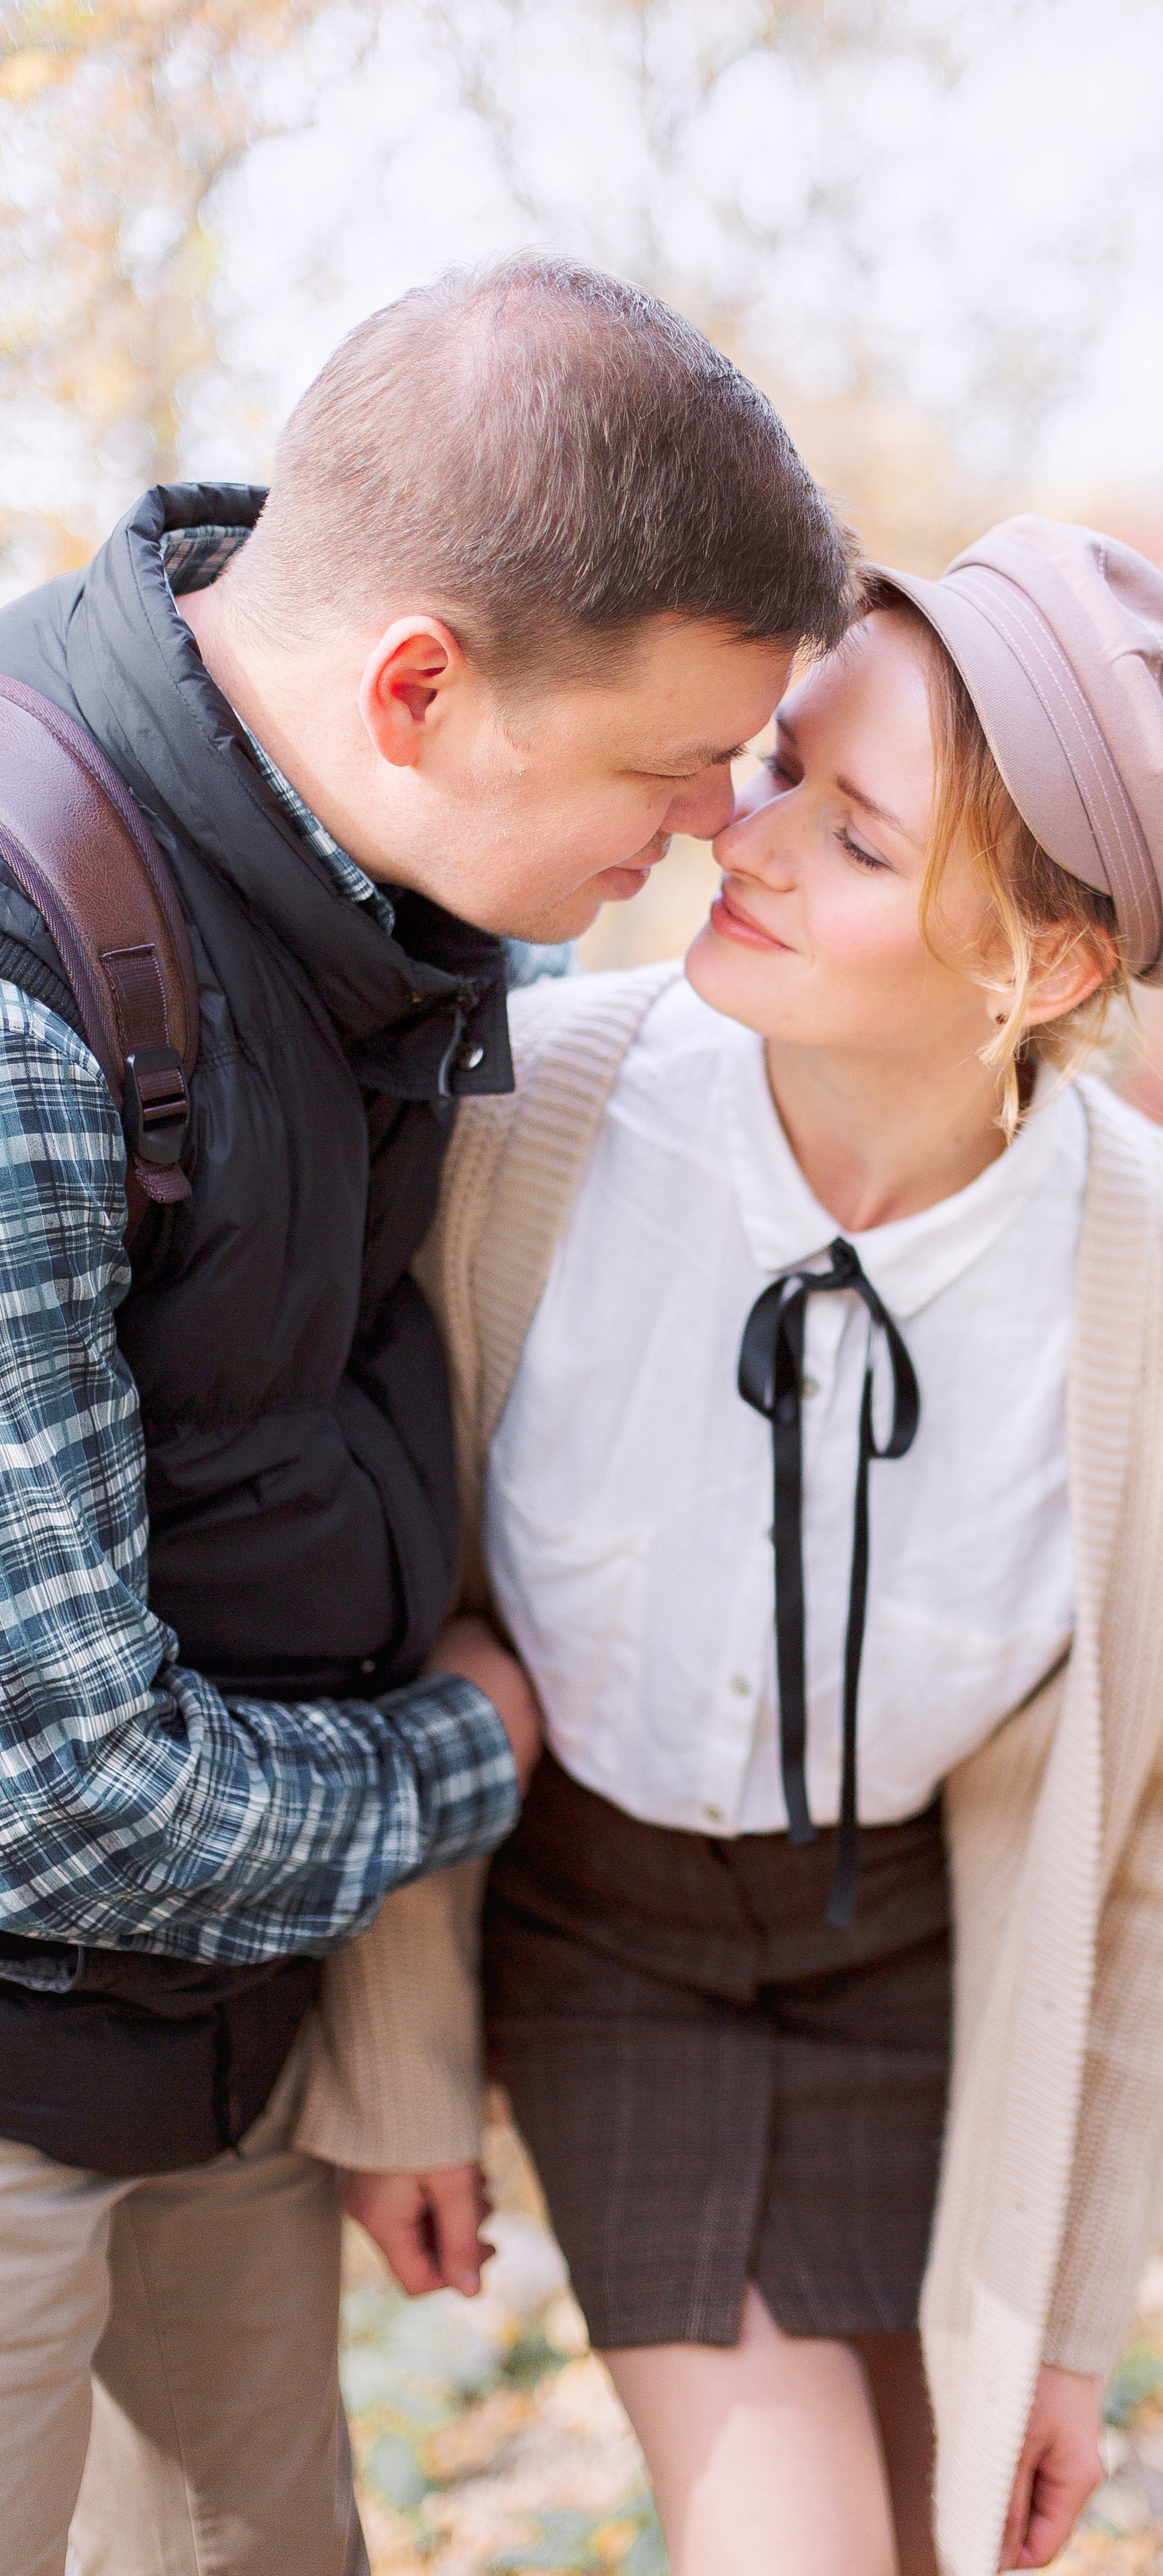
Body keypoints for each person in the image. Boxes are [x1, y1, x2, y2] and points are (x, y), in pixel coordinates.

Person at [0, 252, 856, 2576]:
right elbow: (56, 1798)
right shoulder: (30, 970)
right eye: (671, 767)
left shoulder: (399, 891)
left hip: (219, 2046)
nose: (717, 827)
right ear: (417, 688)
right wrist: (475, 1745)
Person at [323, 517, 1163, 2575]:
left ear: (1044, 967)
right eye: (779, 770)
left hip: (933, 1975)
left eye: (853, 835)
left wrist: (1073, 2320)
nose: (737, 843)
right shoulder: (528, 1119)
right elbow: (387, 1607)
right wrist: (397, 2063)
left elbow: (1154, 1821)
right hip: (612, 1949)